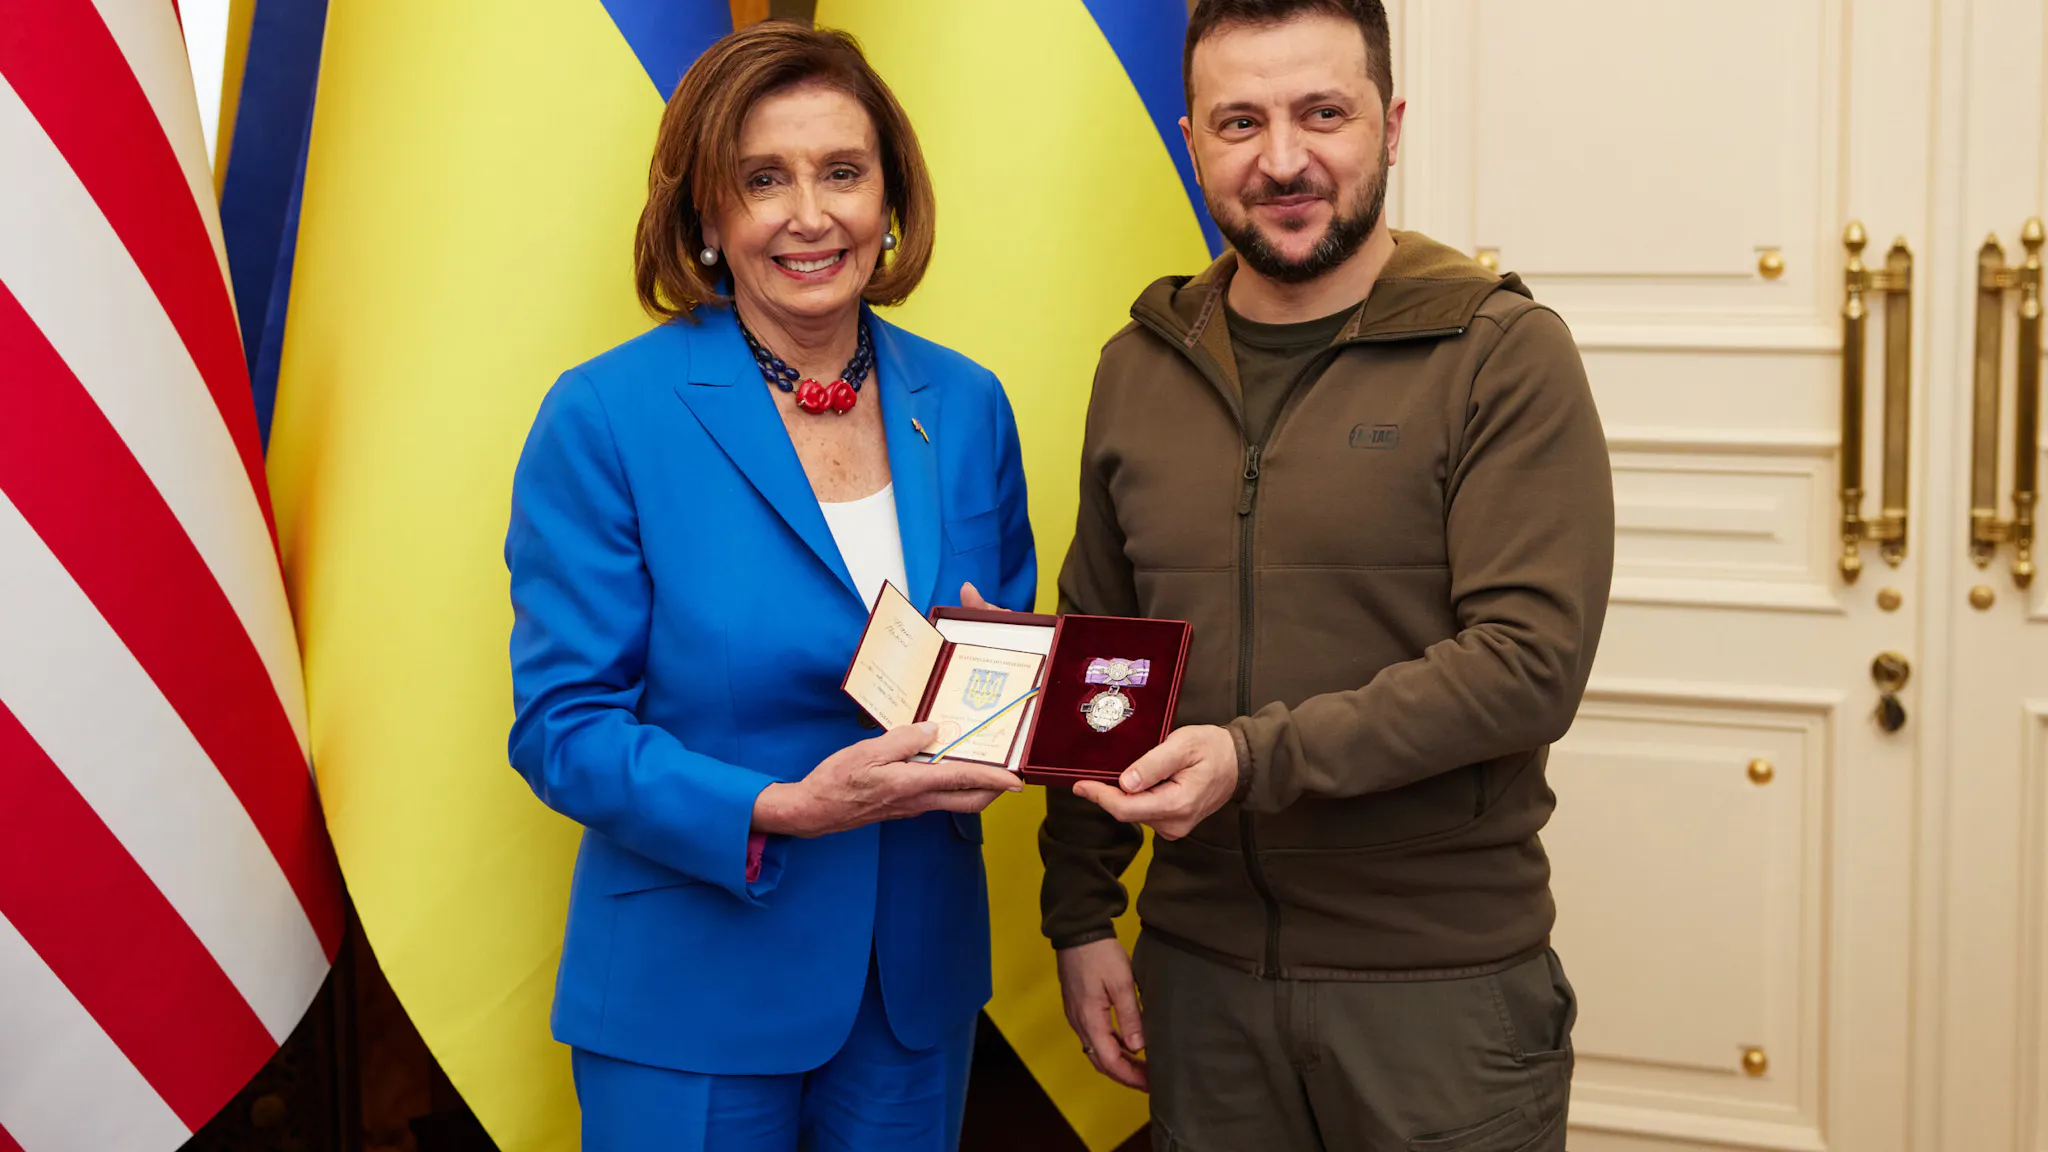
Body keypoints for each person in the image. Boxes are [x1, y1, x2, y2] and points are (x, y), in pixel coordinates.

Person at [1039, 2, 1615, 1149]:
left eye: (1322, 112)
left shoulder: (1500, 354)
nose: (1283, 158)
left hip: (1435, 998)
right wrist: (1079, 912)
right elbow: (1103, 647)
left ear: (1390, 125)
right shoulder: (1137, 367)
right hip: (1198, 986)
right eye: (1239, 121)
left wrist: (1251, 757)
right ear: (1189, 136)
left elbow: (1524, 667)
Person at [505, 21, 1034, 1152]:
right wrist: (772, 809)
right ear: (704, 215)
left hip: (911, 992)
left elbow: (997, 660)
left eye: (842, 172)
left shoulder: (969, 403)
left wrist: (998, 712)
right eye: (762, 179)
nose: (810, 215)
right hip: (689, 991)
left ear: (889, 197)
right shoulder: (605, 416)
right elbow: (561, 729)